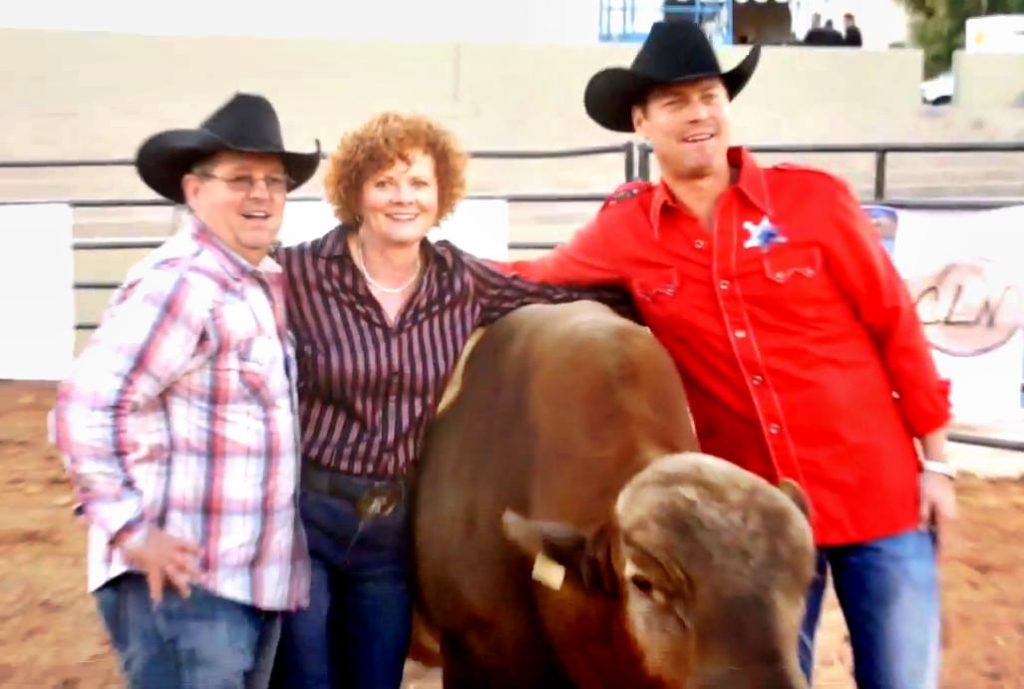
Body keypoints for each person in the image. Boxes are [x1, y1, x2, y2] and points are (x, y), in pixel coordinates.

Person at [495, 21, 957, 689]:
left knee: (902, 680)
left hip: (878, 498)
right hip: (745, 525)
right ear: (641, 121)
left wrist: (938, 461)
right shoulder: (626, 229)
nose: (699, 115)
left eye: (709, 95)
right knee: (756, 675)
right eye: (676, 103)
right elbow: (528, 276)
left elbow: (896, 325)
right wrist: (407, 259)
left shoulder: (814, 200)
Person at [269, 112, 633, 689]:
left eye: (419, 183)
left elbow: (552, 296)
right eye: (384, 182)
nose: (402, 198)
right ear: (354, 192)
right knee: (305, 678)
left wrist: (646, 298)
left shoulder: (460, 281)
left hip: (390, 532)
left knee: (375, 679)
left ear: (442, 196)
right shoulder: (297, 273)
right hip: (304, 519)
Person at [51, 92, 319, 689]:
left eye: (274, 181)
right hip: (185, 585)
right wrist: (132, 530)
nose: (261, 195)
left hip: (236, 579)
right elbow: (86, 407)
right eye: (241, 179)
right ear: (194, 191)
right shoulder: (184, 284)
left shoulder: (253, 282)